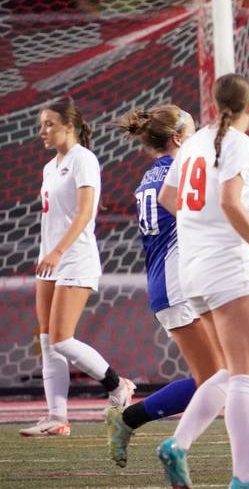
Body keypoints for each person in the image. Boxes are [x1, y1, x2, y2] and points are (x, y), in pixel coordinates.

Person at [107, 105, 249, 476]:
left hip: (170, 283)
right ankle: (134, 421)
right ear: (178, 138)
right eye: (194, 129)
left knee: (231, 373)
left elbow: (222, 207)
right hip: (190, 280)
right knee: (229, 375)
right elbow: (229, 208)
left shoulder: (154, 175)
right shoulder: (190, 166)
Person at [154, 74, 249, 489]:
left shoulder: (194, 142)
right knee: (245, 374)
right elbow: (228, 201)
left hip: (193, 267)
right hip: (226, 264)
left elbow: (171, 199)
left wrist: (199, 225)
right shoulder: (237, 142)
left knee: (225, 372)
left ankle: (178, 445)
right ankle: (245, 479)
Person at [20, 99, 135, 437]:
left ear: (69, 126)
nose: (43, 130)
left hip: (75, 258)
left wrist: (57, 250)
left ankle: (118, 386)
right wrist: (47, 251)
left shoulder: (84, 160)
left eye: (50, 124)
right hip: (51, 260)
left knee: (61, 338)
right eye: (42, 124)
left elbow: (86, 213)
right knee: (46, 339)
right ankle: (57, 417)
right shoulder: (49, 167)